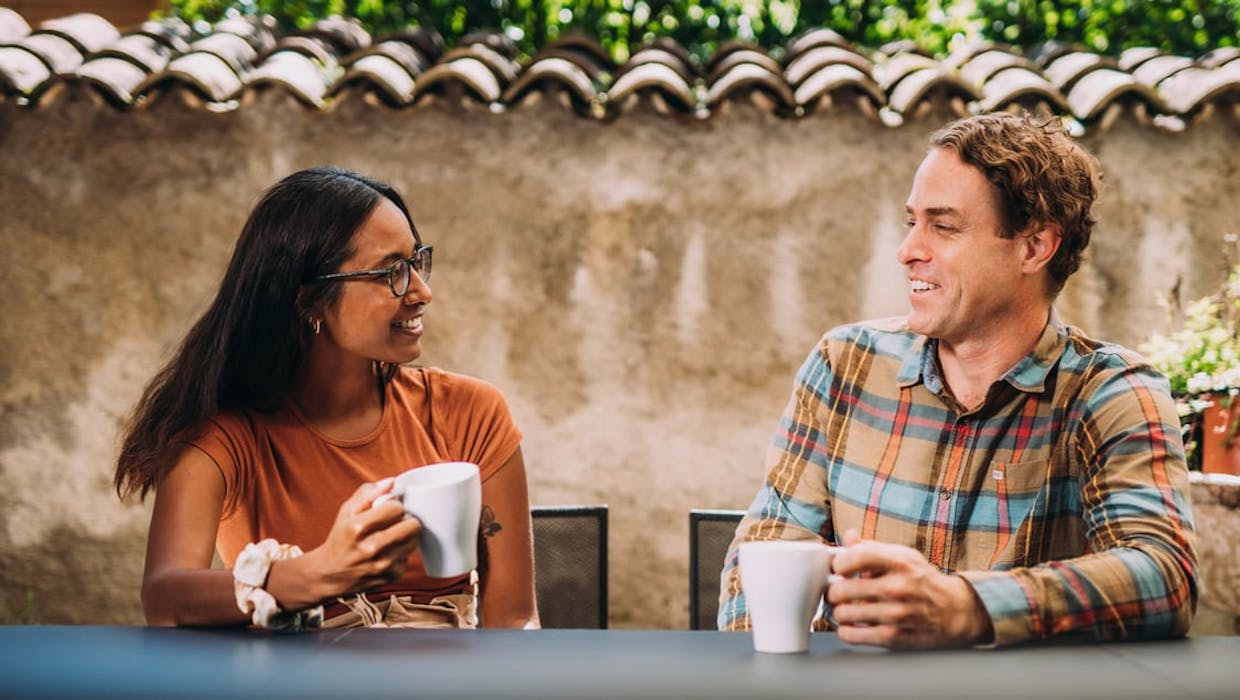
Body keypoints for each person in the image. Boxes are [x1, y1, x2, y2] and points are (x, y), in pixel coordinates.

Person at [718, 113, 1197, 648]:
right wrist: (766, 671)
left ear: (1035, 246)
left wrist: (965, 606)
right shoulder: (845, 365)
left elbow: (1164, 577)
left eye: (942, 227)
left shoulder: (1111, 393)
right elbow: (767, 548)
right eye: (912, 222)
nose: (908, 251)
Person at [114, 166, 539, 631]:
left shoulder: (471, 412)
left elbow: (515, 619)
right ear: (309, 299)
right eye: (392, 273)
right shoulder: (223, 436)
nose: (422, 291)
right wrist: (321, 573)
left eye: (417, 262)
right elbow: (165, 599)